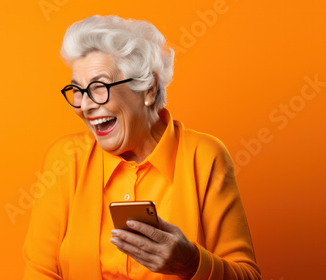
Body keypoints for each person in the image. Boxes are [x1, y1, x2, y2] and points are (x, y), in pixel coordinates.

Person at [23, 15, 261, 279]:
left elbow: (247, 275)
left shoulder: (204, 157)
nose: (86, 105)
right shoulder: (66, 159)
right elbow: (40, 272)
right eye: (77, 90)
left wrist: (192, 263)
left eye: (99, 87)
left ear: (148, 89)